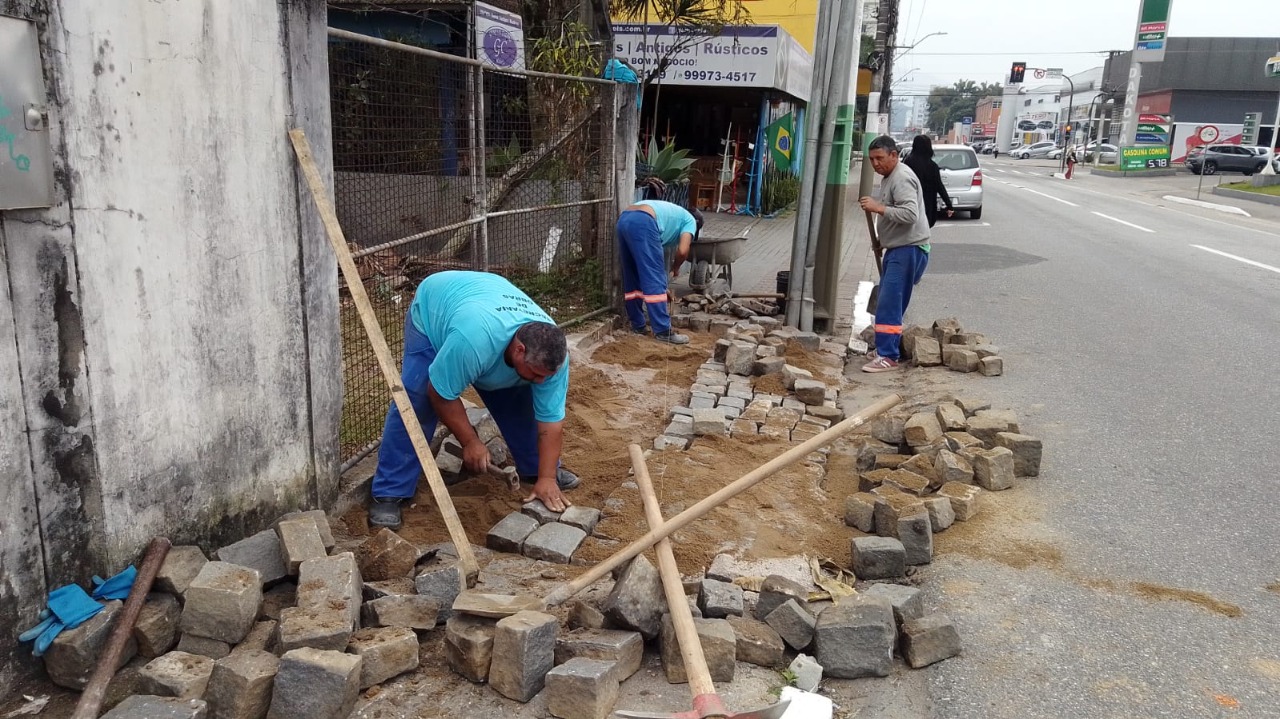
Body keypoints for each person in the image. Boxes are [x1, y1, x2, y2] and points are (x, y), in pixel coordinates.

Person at [367, 270, 578, 530]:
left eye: (546, 376)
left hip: (488, 298)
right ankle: (390, 490)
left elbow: (551, 423)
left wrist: (547, 477)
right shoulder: (474, 340)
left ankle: (538, 471)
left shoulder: (553, 359)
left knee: (520, 398)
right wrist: (470, 442)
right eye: (536, 373)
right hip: (436, 307)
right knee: (418, 399)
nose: (541, 381)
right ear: (519, 350)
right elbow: (440, 393)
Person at [858, 135, 931, 373]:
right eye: (871, 159)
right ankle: (884, 348)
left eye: (879, 158)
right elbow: (897, 214)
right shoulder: (890, 177)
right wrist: (882, 241)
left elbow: (910, 214)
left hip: (908, 249)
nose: (875, 163)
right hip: (898, 247)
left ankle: (888, 356)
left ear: (894, 155)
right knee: (889, 302)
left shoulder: (901, 177)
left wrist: (878, 207)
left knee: (889, 303)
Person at [616, 199, 703, 344]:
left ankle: (638, 325)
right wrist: (675, 269)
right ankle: (663, 331)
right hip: (644, 221)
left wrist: (663, 288)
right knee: (653, 277)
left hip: (624, 219)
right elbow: (682, 251)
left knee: (632, 275)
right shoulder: (691, 222)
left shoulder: (674, 214)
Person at [902, 135, 954, 228]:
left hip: (909, 202)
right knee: (923, 232)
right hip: (927, 205)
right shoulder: (932, 166)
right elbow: (939, 186)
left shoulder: (907, 163)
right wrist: (949, 205)